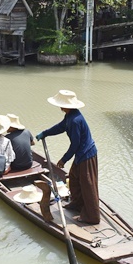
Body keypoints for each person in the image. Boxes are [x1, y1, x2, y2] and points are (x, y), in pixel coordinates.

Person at [36, 90, 100, 225]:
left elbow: (75, 144)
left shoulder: (76, 120)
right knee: (75, 179)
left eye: (61, 104)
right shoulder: (70, 116)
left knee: (88, 185)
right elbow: (60, 127)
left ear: (67, 106)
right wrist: (45, 133)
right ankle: (77, 204)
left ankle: (92, 216)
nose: (60, 107)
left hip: (86, 155)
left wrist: (64, 159)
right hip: (81, 154)